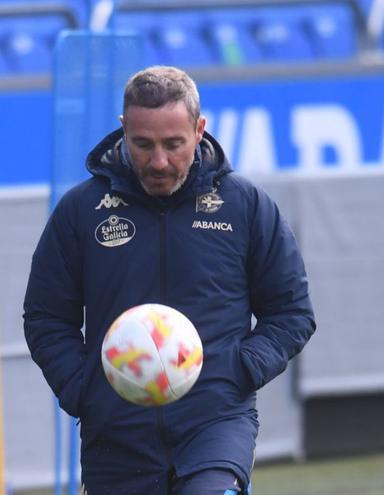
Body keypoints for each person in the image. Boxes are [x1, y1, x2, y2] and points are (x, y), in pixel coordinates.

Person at [23, 66, 315, 494]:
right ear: (124, 129)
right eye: (143, 144)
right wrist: (83, 389)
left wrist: (238, 369)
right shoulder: (80, 211)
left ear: (199, 130)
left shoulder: (244, 206)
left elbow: (292, 312)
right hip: (115, 437)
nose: (159, 161)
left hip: (214, 427)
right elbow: (46, 317)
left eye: (173, 144)